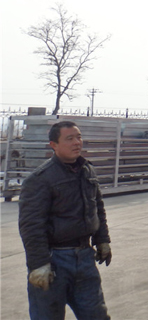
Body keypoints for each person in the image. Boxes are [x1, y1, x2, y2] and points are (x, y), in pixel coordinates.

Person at [19, 120, 112, 320]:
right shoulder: (40, 179)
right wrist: (39, 264)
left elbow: (97, 208)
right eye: (69, 139)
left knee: (96, 315)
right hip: (54, 261)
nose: (77, 142)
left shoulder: (87, 171)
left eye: (79, 137)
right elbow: (31, 226)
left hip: (85, 257)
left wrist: (102, 240)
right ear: (54, 145)